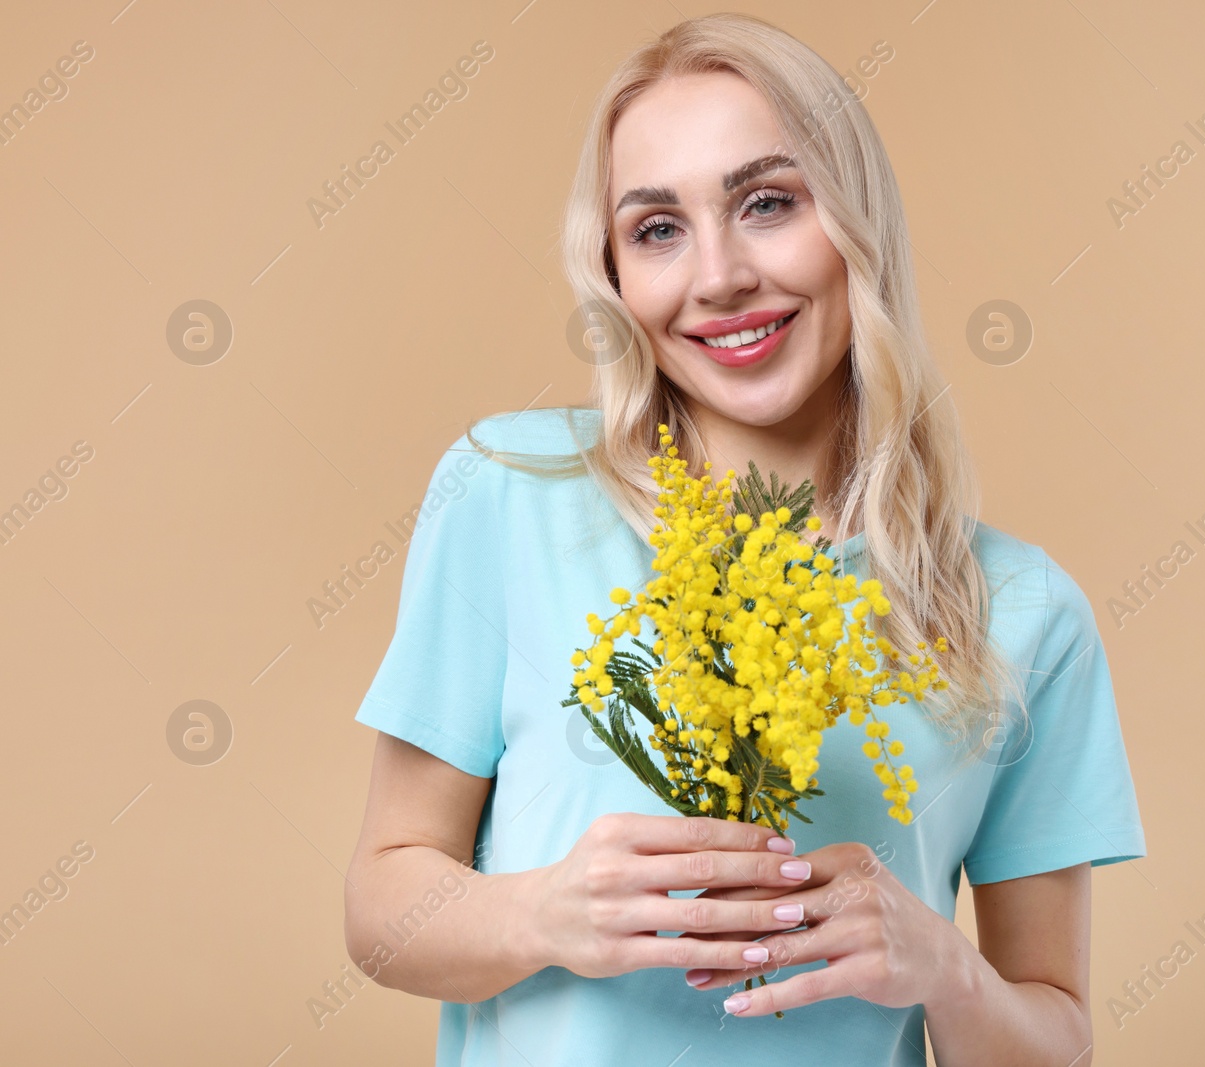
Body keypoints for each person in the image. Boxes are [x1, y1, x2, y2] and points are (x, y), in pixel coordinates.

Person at [343, 12, 1145, 1065]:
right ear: (617, 274)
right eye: (657, 228)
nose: (717, 276)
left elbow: (1055, 1038)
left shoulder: (1024, 611)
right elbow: (380, 904)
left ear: (856, 223)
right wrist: (545, 913)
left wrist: (942, 963)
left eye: (767, 203)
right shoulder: (508, 495)